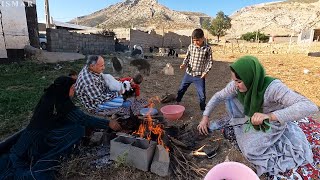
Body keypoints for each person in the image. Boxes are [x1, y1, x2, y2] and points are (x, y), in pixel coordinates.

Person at [197, 56, 319, 176]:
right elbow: (218, 96)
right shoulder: (236, 86)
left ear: (250, 78)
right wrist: (205, 117)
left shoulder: (273, 88)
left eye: (239, 81)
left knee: (251, 151)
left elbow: (309, 106)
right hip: (251, 117)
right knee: (230, 101)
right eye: (234, 80)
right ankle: (243, 124)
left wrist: (269, 116)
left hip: (271, 122)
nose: (235, 85)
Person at [0, 76, 121, 179]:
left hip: (35, 135)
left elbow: (73, 116)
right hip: (35, 143)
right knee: (76, 129)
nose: (75, 91)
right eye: (73, 88)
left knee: (76, 126)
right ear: (66, 88)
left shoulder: (52, 96)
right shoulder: (61, 102)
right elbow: (82, 118)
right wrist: (108, 123)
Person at [176, 28, 213, 111]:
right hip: (189, 74)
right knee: (181, 89)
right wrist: (183, 64)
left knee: (202, 94)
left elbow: (210, 62)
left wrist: (206, 72)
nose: (195, 42)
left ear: (203, 38)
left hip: (199, 76)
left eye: (197, 40)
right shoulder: (191, 46)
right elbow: (187, 57)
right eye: (194, 40)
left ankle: (203, 109)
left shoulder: (207, 48)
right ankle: (178, 102)